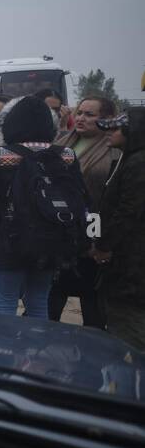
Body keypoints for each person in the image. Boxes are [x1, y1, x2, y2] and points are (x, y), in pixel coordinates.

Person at [0, 95, 88, 318]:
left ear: (11, 124)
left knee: (5, 302)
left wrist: (0, 219)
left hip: (10, 241)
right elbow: (81, 199)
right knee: (38, 301)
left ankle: (6, 349)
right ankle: (35, 350)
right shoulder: (67, 155)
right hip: (53, 241)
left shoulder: (3, 155)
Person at [48, 95, 120, 328]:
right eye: (79, 112)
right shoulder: (61, 142)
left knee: (92, 304)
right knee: (51, 299)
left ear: (107, 119)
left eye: (90, 114)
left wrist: (94, 239)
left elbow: (102, 203)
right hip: (58, 234)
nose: (81, 118)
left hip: (91, 237)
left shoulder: (114, 153)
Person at [90, 108, 145, 349]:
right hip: (127, 260)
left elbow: (128, 212)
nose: (109, 133)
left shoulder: (138, 163)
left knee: (127, 337)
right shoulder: (127, 158)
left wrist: (104, 246)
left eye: (115, 128)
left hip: (132, 266)